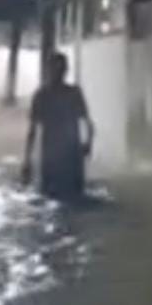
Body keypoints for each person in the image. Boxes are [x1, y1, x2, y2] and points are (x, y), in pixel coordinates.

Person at [22, 52, 95, 200]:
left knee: (55, 197)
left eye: (60, 69)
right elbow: (32, 130)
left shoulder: (45, 95)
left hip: (62, 155)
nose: (58, 73)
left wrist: (88, 144)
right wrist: (27, 160)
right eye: (56, 69)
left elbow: (32, 131)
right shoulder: (50, 95)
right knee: (70, 198)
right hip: (63, 155)